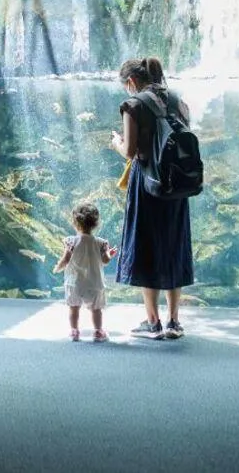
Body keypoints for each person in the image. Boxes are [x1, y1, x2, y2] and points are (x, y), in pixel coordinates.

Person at [110, 56, 194, 340]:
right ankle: (174, 322)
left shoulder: (133, 105)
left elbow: (131, 152)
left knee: (148, 247)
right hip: (176, 184)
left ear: (131, 82)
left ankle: (153, 322)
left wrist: (116, 143)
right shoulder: (176, 99)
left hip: (148, 183)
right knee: (173, 243)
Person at [53, 202, 117, 342]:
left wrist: (58, 267)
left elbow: (66, 258)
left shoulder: (70, 241)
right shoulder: (101, 242)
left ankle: (74, 331)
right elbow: (105, 261)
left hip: (74, 282)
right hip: (94, 283)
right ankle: (98, 332)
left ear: (75, 222)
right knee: (96, 310)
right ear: (96, 223)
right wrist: (109, 254)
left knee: (74, 308)